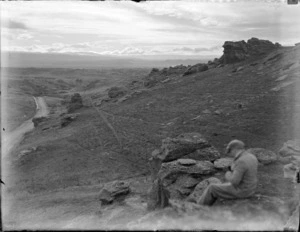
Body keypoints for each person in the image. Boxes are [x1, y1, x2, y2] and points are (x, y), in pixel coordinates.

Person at [198, 139, 258, 206]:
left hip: (242, 191)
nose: (230, 154)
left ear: (235, 149)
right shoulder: (252, 157)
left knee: (212, 188)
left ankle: (198, 208)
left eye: (230, 151)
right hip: (251, 189)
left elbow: (234, 181)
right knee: (222, 185)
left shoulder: (241, 161)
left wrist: (228, 174)